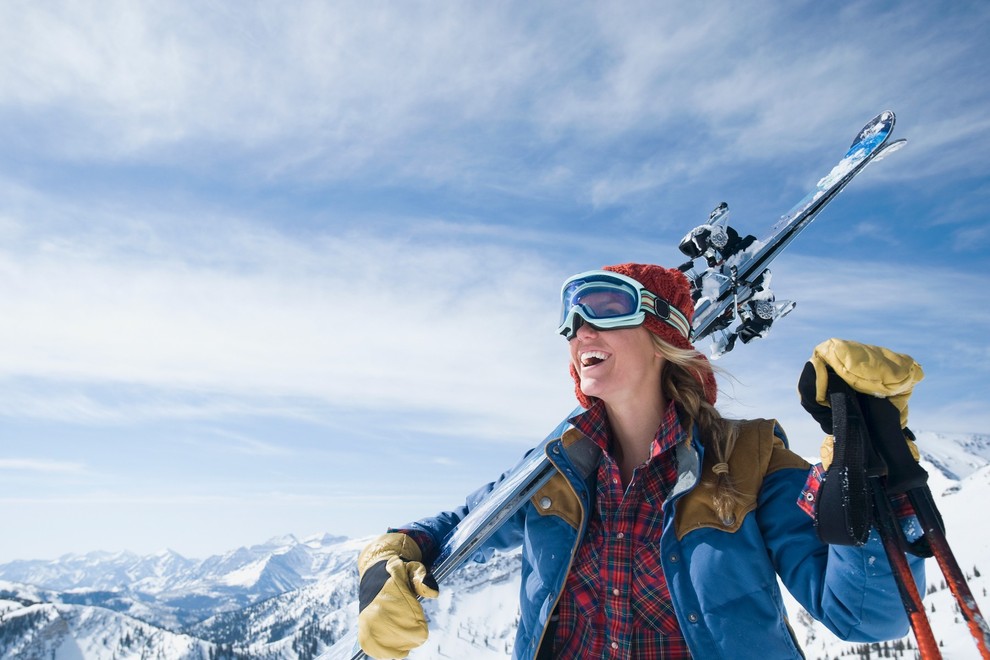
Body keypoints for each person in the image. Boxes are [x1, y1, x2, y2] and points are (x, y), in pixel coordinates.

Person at [356, 262, 926, 659]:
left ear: (663, 337)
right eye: (569, 320)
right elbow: (460, 526)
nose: (578, 330)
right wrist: (388, 559)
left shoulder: (750, 459)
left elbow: (866, 616)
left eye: (602, 307)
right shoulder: (559, 464)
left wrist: (863, 473)